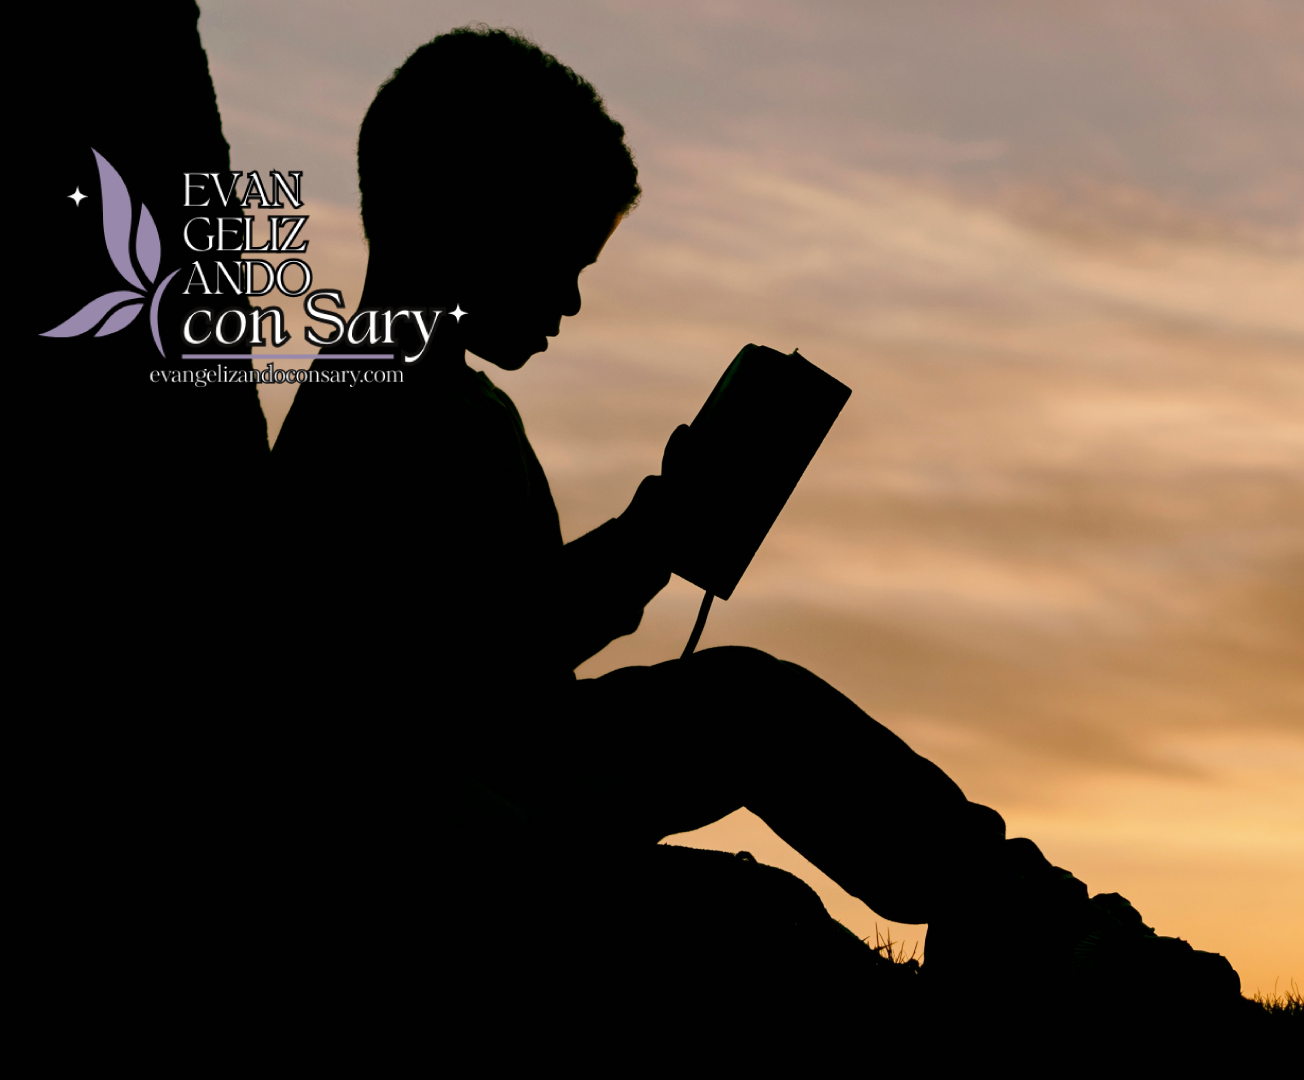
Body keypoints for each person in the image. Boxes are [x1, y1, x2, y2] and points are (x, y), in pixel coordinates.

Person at [272, 26, 1237, 1022]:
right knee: (759, 911)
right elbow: (455, 682)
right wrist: (654, 538)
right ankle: (1038, 958)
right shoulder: (377, 415)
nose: (566, 300)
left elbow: (507, 641)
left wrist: (658, 528)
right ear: (468, 214)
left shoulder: (428, 400)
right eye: (557, 255)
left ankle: (1025, 924)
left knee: (749, 704)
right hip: (448, 842)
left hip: (508, 774)